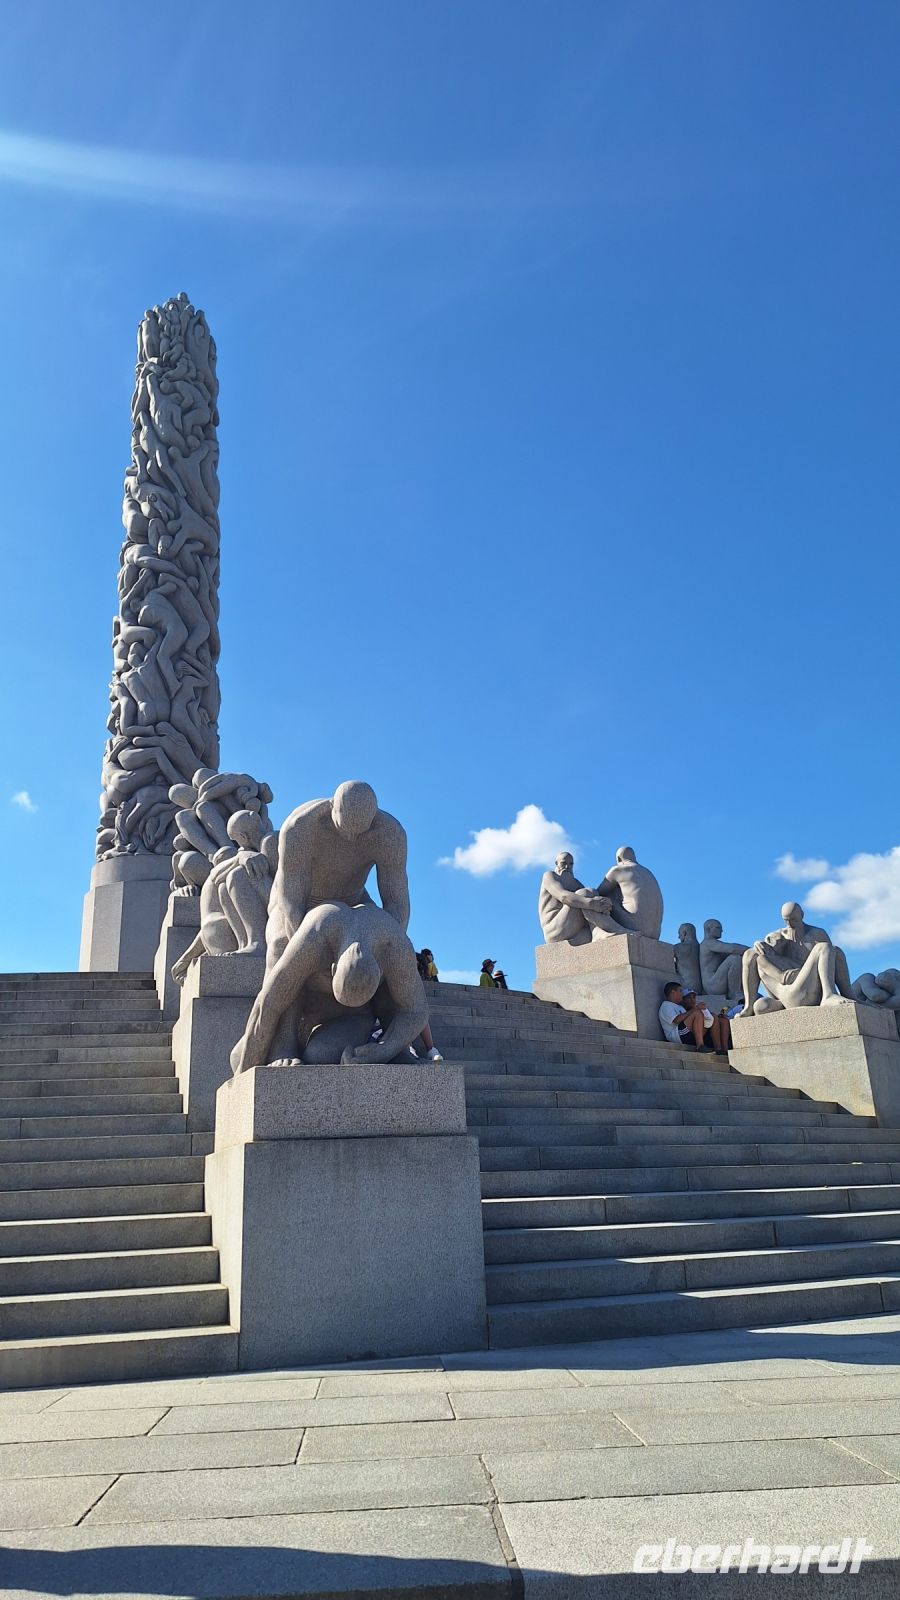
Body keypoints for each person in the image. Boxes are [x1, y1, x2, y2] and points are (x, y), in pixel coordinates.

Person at [658, 981, 713, 1050]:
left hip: (684, 1032)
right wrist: (695, 1009)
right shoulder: (666, 1005)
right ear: (673, 992)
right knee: (697, 1013)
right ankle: (700, 1045)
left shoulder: (680, 1007)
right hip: (677, 1035)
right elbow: (676, 1020)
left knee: (712, 1018)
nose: (682, 994)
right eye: (680, 991)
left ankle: (719, 1048)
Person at [682, 989, 731, 1057]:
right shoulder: (682, 1010)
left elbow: (709, 1019)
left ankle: (725, 1050)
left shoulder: (697, 1008)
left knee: (723, 1021)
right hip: (694, 1036)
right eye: (689, 997)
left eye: (693, 997)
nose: (692, 1000)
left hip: (708, 1032)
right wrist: (696, 1009)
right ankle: (715, 1048)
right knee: (707, 1016)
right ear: (683, 1000)